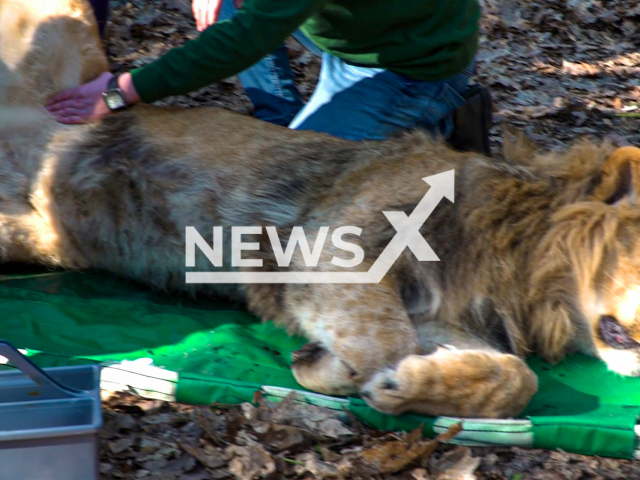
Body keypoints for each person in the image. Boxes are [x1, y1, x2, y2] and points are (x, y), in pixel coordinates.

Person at [47, 0, 480, 143]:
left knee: (306, 185)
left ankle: (444, 122)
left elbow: (242, 40)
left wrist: (120, 92)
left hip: (408, 64)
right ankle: (279, 124)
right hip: (353, 29)